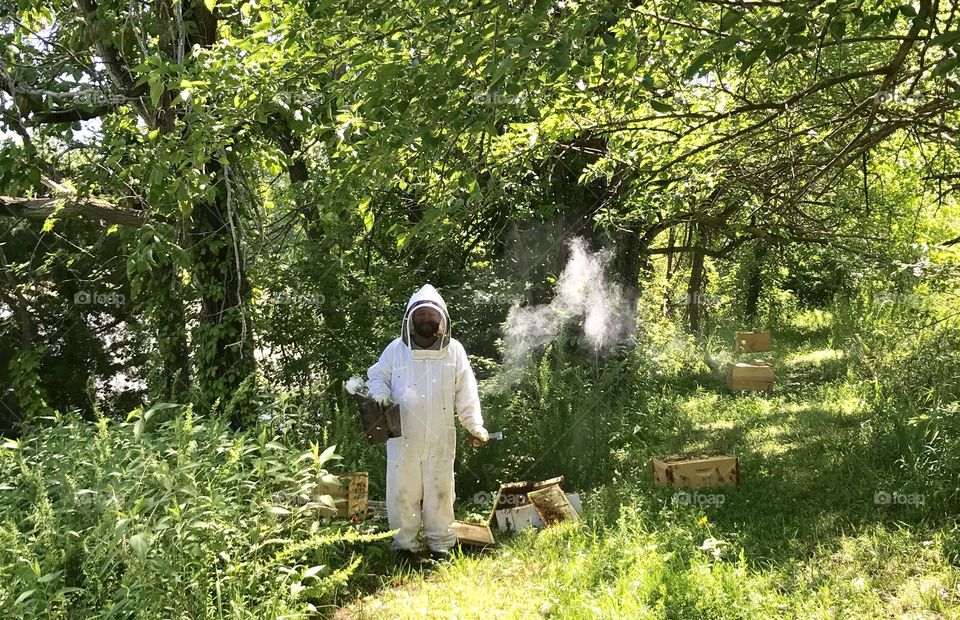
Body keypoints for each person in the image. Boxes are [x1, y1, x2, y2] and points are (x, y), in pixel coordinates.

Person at [367, 284, 489, 561]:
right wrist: (381, 394)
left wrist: (474, 425)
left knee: (440, 489)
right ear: (410, 319)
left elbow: (466, 391)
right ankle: (405, 547)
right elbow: (376, 376)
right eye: (421, 315)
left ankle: (441, 545)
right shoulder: (396, 350)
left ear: (442, 319)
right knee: (402, 490)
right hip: (402, 434)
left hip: (440, 435)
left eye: (431, 316)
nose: (426, 320)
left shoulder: (454, 351)